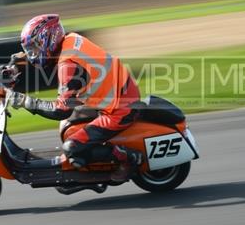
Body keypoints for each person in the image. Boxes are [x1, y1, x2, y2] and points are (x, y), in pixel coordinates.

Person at [8, 14, 144, 176]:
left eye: (34, 48)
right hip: (118, 94)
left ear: (48, 39)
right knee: (68, 128)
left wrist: (25, 101)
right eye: (30, 50)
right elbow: (45, 56)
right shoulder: (70, 39)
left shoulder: (68, 66)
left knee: (72, 147)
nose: (32, 54)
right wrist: (17, 62)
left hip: (120, 109)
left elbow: (61, 110)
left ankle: (129, 158)